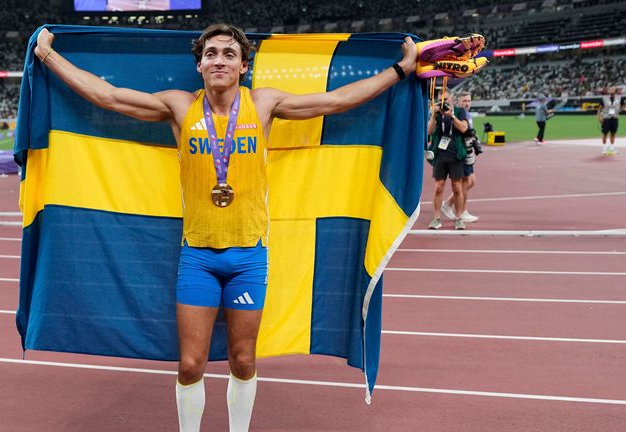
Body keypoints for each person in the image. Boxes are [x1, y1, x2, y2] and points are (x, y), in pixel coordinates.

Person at [33, 24, 417, 432]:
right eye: (212, 53)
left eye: (229, 54)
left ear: (243, 67)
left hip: (249, 256)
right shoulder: (180, 106)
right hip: (198, 256)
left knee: (244, 359)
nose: (220, 60)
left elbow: (337, 100)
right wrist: (47, 56)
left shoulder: (264, 104)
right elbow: (107, 96)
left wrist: (400, 70)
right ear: (199, 65)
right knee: (191, 363)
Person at [427, 91, 469, 230]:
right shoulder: (436, 114)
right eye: (440, 100)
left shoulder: (460, 111)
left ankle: (458, 218)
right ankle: (436, 218)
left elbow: (463, 128)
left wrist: (452, 116)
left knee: (457, 187)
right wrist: (434, 114)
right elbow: (428, 131)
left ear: (451, 99)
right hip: (440, 154)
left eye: (445, 99)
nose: (443, 102)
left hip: (456, 153)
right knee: (439, 187)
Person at [441, 92, 479, 223]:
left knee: (470, 182)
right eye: (464, 101)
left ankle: (448, 204)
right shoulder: (459, 113)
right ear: (458, 102)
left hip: (467, 151)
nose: (467, 103)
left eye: (469, 100)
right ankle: (461, 211)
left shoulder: (467, 114)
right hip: (460, 151)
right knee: (466, 182)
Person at [598, 86, 621, 156]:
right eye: (610, 89)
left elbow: (623, 105)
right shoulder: (604, 98)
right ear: (608, 90)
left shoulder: (619, 98)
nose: (612, 90)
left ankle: (612, 148)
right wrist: (599, 117)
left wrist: (619, 110)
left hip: (615, 118)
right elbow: (599, 109)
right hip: (606, 118)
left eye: (613, 89)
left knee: (613, 133)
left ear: (615, 90)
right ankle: (604, 149)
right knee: (605, 133)